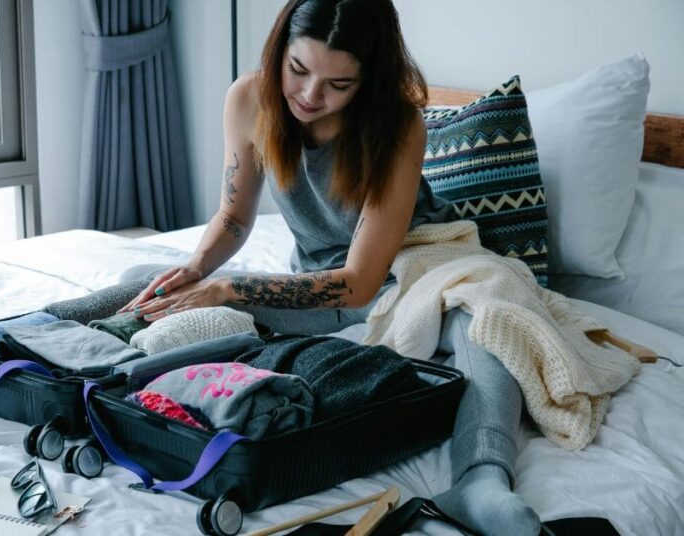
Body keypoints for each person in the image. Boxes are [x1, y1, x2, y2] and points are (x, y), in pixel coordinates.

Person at [117, 1, 540, 534]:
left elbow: (362, 283)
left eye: (338, 84)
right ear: (279, 53)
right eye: (298, 70)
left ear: (368, 80)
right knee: (141, 285)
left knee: (489, 325)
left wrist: (229, 288)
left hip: (404, 276)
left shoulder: (398, 124)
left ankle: (481, 480)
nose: (311, 95)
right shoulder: (248, 98)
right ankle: (106, 390)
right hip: (314, 287)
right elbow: (232, 215)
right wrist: (197, 269)